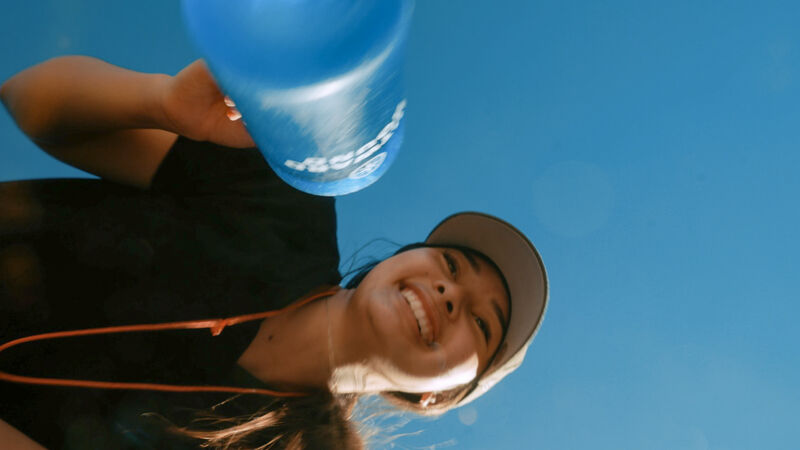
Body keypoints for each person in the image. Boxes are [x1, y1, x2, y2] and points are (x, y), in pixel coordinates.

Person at [0, 56, 548, 449]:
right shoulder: (279, 199)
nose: (451, 294)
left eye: (481, 323)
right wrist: (162, 101)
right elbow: (29, 99)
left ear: (441, 396)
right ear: (399, 258)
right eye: (451, 265)